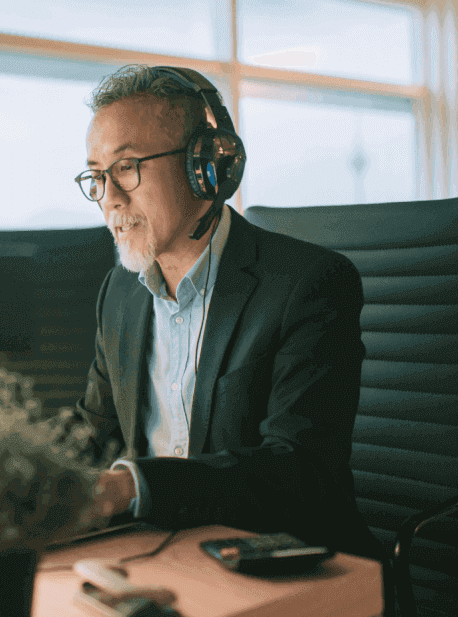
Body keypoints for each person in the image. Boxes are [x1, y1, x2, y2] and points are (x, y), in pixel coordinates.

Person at [73, 64, 382, 560]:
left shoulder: (309, 285)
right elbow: (93, 429)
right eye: (96, 176)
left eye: (127, 167)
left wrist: (132, 487)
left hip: (283, 562)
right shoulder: (121, 293)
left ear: (206, 168)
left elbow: (299, 469)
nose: (108, 198)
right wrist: (9, 467)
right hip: (161, 552)